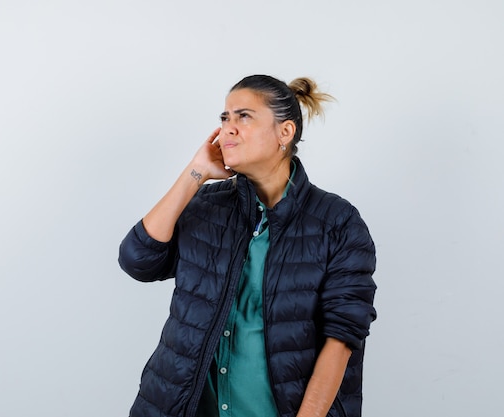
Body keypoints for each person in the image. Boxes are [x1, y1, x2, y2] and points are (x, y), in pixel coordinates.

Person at [118, 74, 377, 417]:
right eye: (224, 118)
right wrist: (195, 172)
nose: (228, 128)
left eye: (244, 116)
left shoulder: (337, 222)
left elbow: (342, 337)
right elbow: (138, 260)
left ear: (285, 132)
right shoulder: (207, 206)